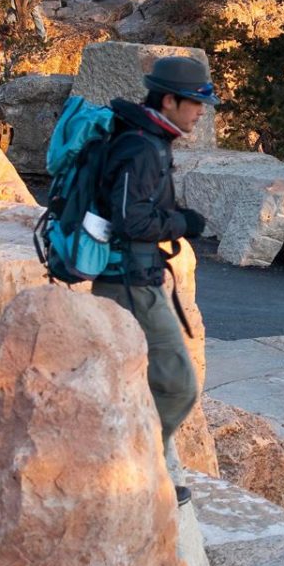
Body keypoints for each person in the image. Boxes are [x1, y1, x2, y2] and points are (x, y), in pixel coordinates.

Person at [93, 55, 217, 504]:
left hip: (136, 276)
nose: (201, 112)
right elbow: (130, 219)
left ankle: (153, 476)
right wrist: (182, 223)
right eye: (195, 102)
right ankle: (135, 469)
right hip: (128, 281)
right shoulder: (142, 147)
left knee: (149, 382)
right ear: (169, 100)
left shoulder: (149, 139)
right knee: (178, 382)